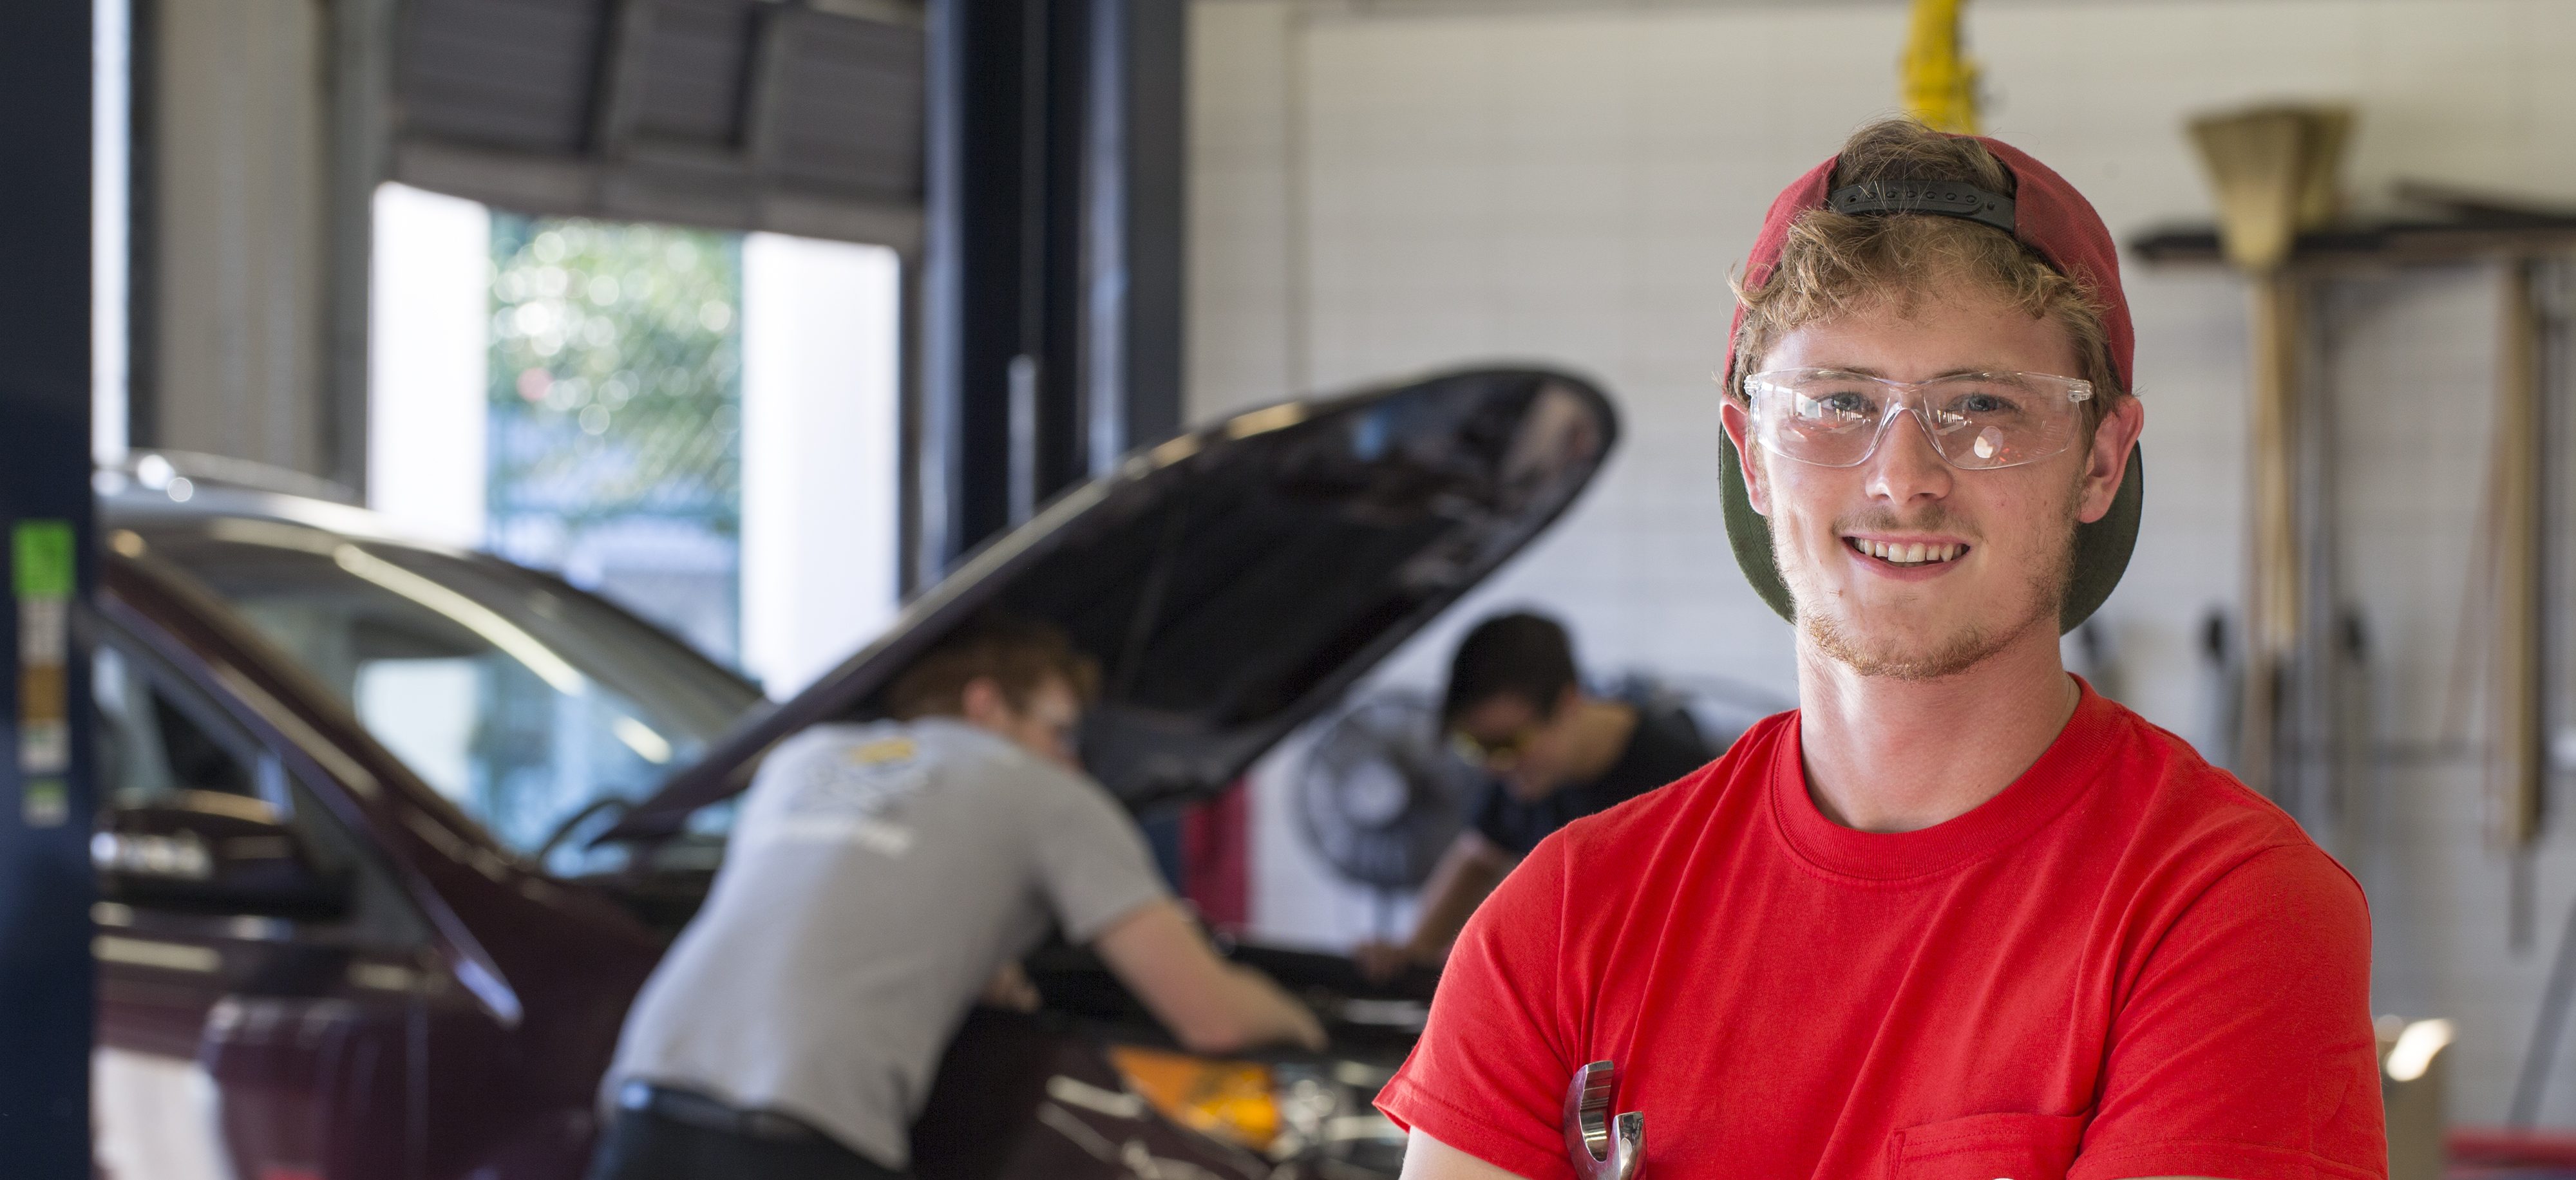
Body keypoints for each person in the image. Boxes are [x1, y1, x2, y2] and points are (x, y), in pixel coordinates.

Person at [1379, 120, 2383, 1179]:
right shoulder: (1564, 917)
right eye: (1839, 403)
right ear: (1753, 457)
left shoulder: (2225, 910)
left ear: (2100, 461)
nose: (1904, 476)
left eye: (1983, 406)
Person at [591, 615, 1325, 1180]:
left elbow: (838, 913)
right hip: (800, 1135)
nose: (1073, 761)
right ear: (986, 705)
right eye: (1061, 731)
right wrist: (1299, 1017)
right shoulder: (1043, 793)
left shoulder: (801, 759)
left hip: (639, 1107)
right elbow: (1212, 1019)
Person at [1353, 612, 1713, 980]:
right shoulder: (1520, 773)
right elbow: (1477, 858)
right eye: (1473, 745)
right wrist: (1414, 954)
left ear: (1569, 702)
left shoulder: (1680, 778)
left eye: (1509, 744)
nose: (1493, 764)